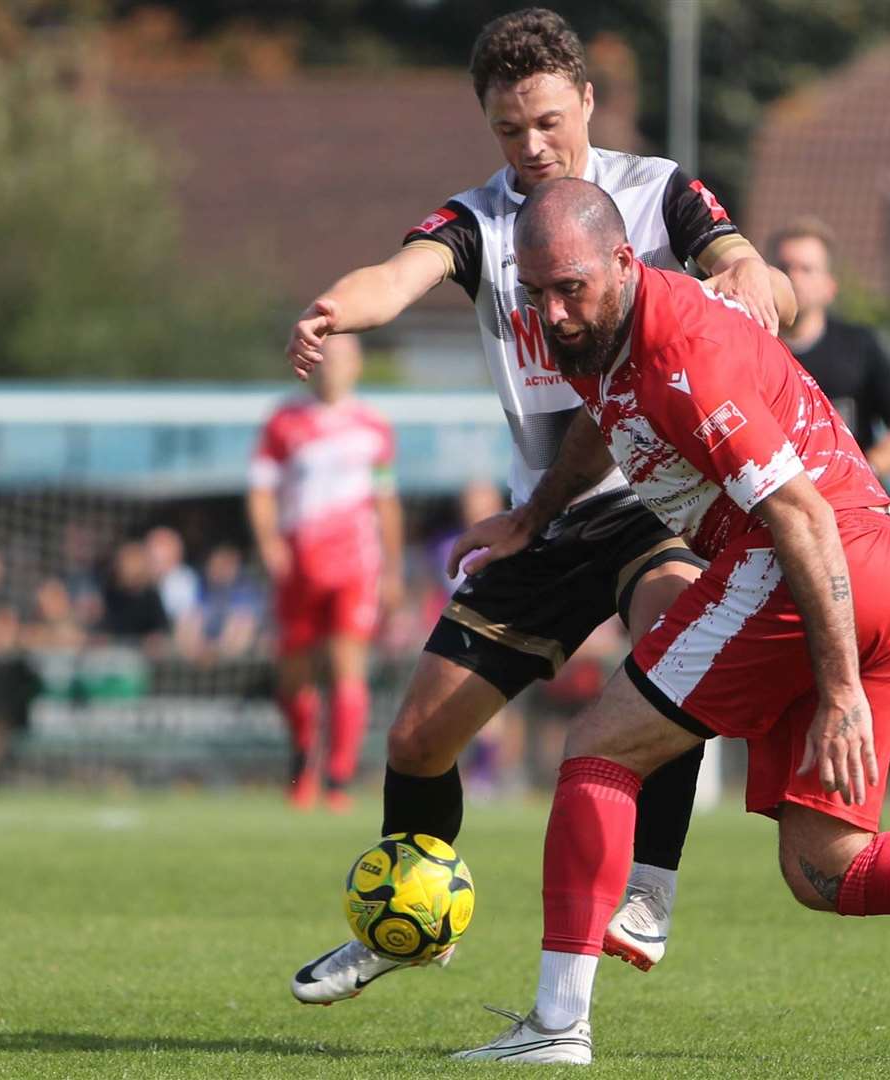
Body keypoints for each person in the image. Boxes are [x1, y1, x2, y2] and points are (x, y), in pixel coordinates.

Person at [454, 179, 890, 1063]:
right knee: (824, 867)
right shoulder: (594, 335)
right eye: (537, 291)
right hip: (885, 567)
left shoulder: (684, 352)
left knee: (599, 748)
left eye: (572, 288)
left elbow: (799, 516)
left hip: (817, 561)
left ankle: (555, 1027)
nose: (554, 312)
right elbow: (605, 423)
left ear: (625, 263)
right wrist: (532, 516)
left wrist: (838, 692)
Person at [285, 7, 796, 1002]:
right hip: (549, 516)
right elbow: (400, 274)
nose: (532, 147)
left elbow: (737, 255)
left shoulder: (655, 192)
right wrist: (337, 308)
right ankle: (408, 919)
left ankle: (648, 887)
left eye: (548, 122)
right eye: (510, 130)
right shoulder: (480, 220)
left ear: (588, 104)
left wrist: (746, 270)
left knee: (668, 639)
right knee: (416, 740)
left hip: (661, 503)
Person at [249, 333, 405, 814]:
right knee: (294, 672)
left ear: (356, 366)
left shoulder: (372, 426)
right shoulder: (284, 421)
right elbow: (261, 491)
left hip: (355, 564)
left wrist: (394, 568)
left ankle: (338, 778)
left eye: (341, 358)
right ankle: (301, 764)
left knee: (346, 667)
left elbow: (385, 500)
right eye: (325, 358)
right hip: (299, 562)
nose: (332, 368)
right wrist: (270, 544)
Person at [770, 217, 890, 478]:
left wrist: (859, 474)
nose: (793, 277)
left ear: (830, 287)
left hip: (846, 509)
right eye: (785, 267)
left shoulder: (859, 346)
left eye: (806, 269)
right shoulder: (749, 348)